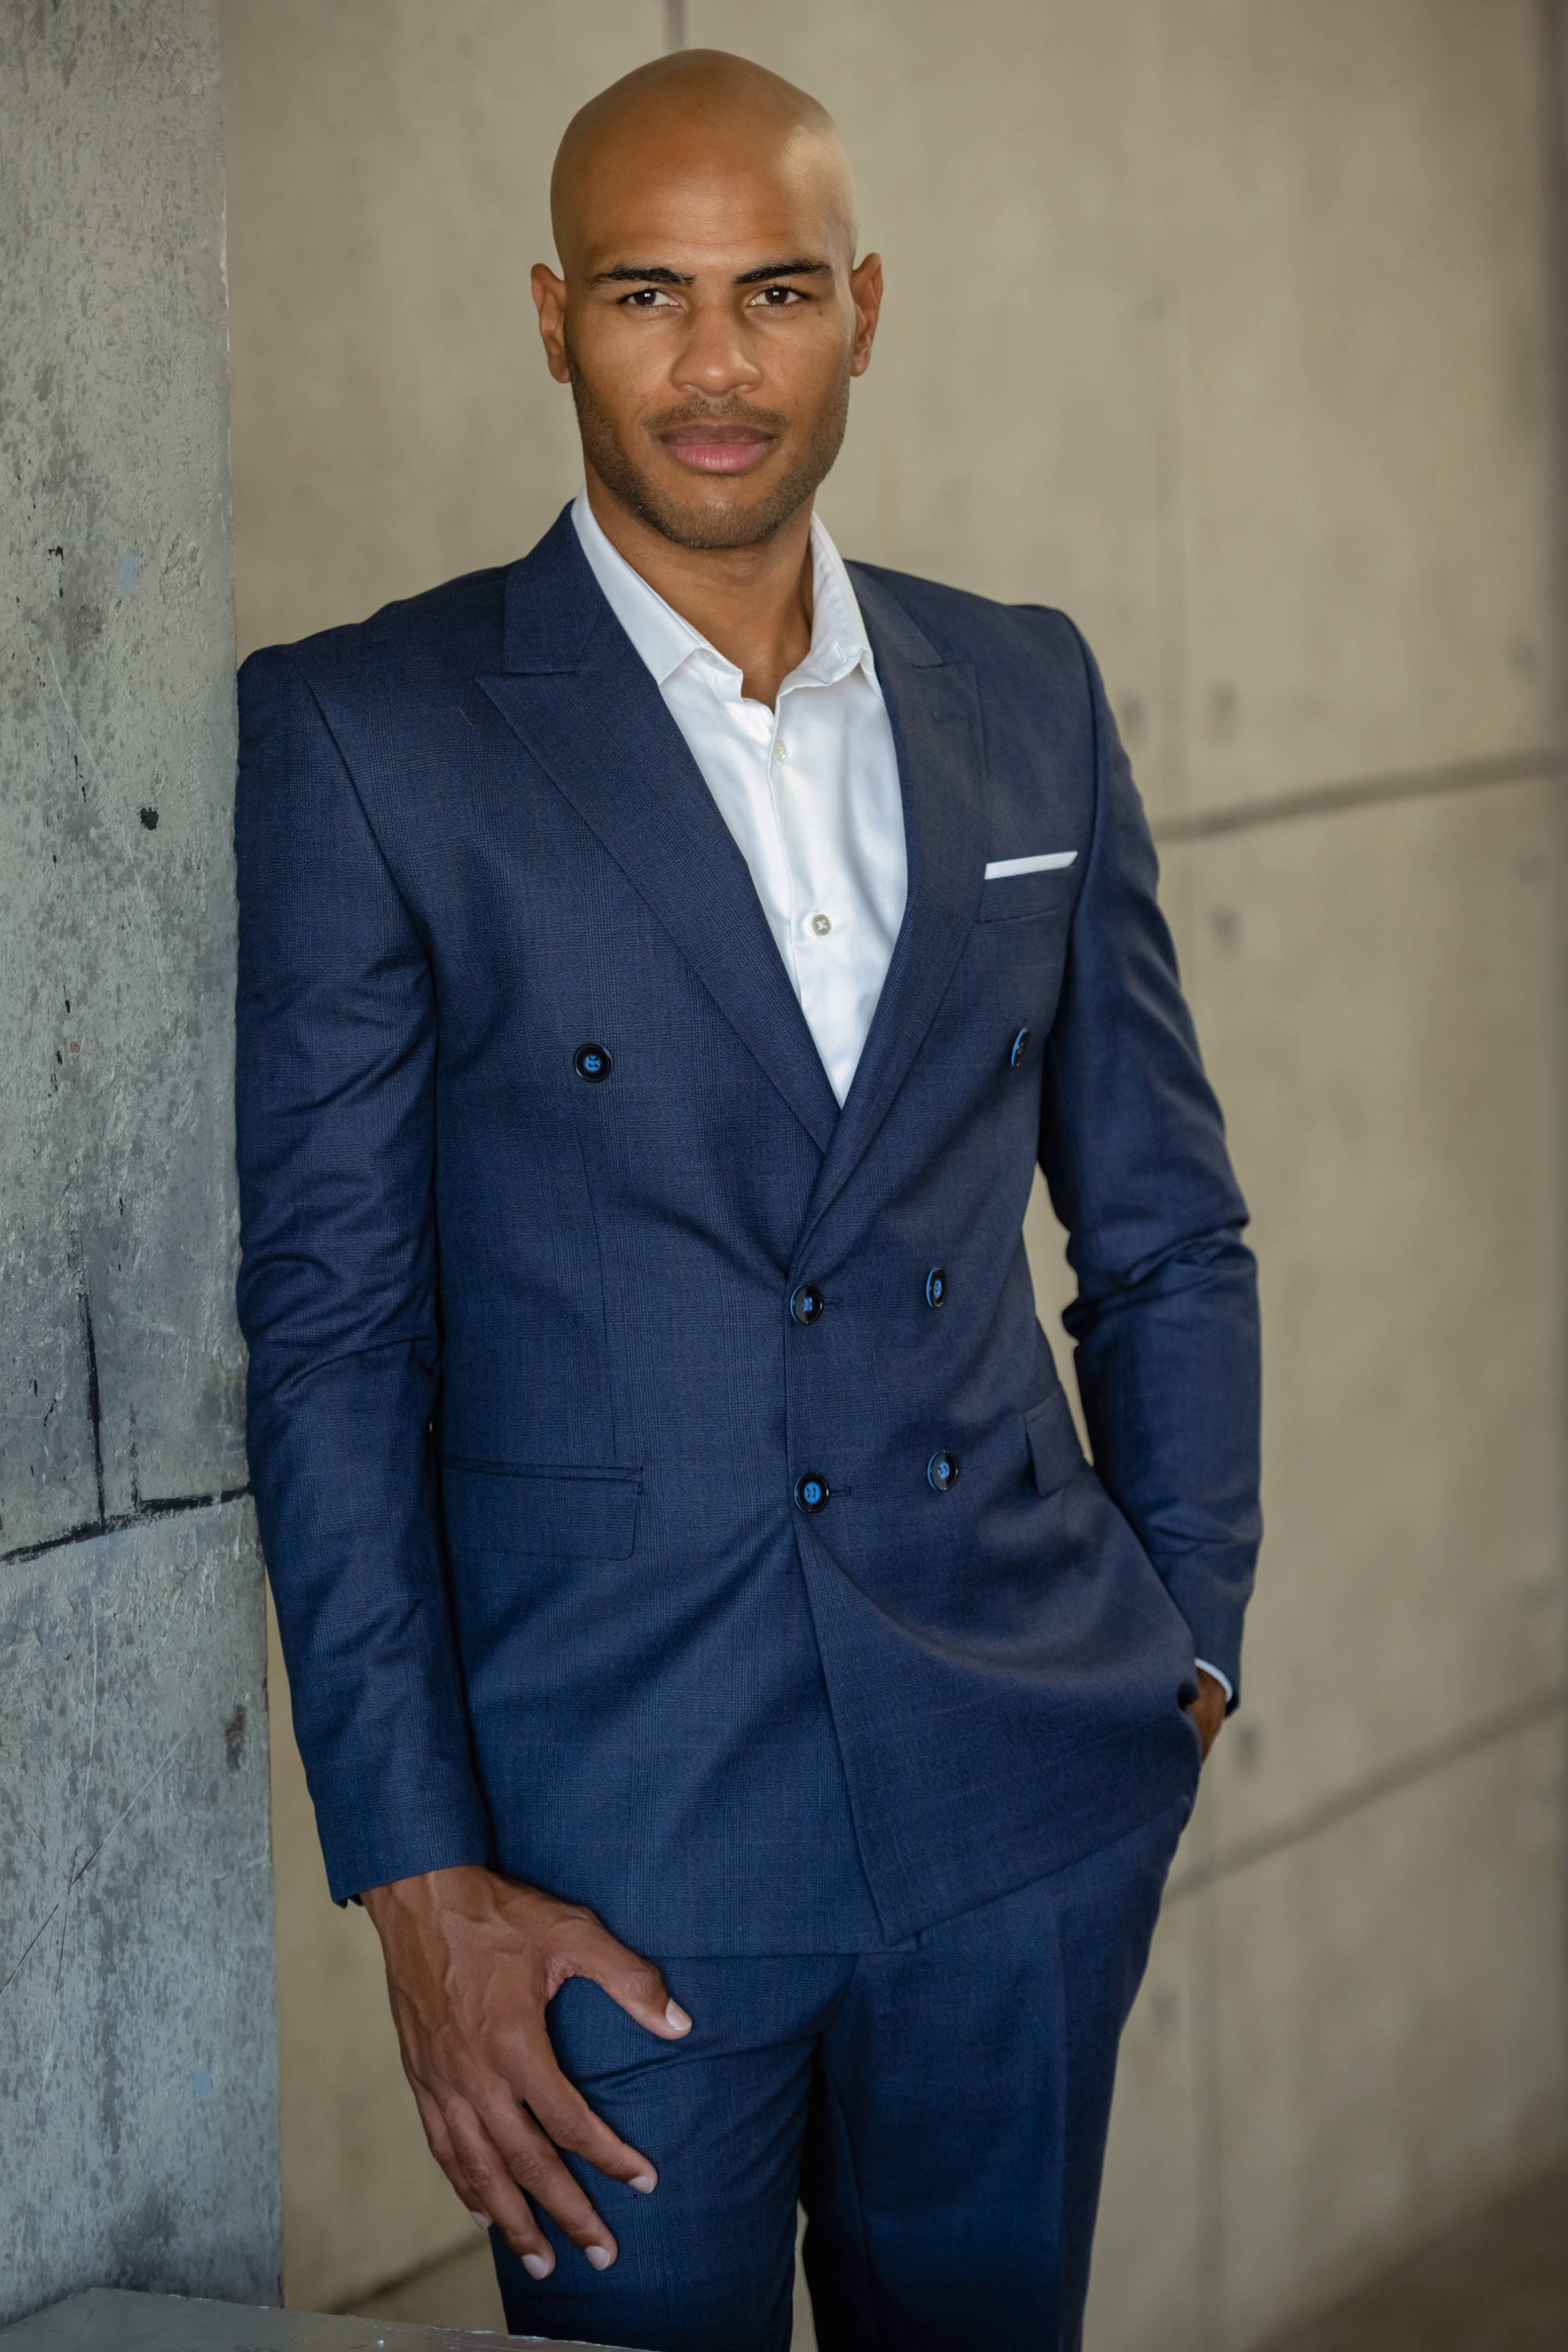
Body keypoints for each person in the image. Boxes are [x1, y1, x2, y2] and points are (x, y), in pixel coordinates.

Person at [234, 48, 1260, 2352]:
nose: (715, 366)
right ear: (551, 319)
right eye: (646, 295)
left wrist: (1184, 1654)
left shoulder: (1027, 691)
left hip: (1027, 1804)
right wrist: (417, 1883)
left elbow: (1169, 1230)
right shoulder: (369, 733)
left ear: (864, 307)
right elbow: (334, 1348)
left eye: (775, 291)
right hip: (610, 1857)